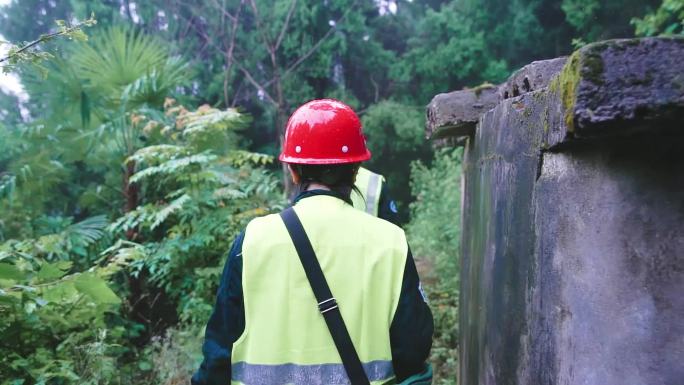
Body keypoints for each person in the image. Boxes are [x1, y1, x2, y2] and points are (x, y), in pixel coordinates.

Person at [192, 99, 433, 385]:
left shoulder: (253, 240)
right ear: (355, 170)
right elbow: (412, 352)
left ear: (293, 171)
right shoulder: (391, 242)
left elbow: (218, 355)